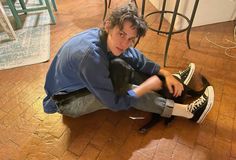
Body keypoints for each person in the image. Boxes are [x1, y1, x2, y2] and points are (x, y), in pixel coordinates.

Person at [43, 3, 214, 124]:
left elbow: (134, 56)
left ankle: (173, 82)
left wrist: (164, 73)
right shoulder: (91, 58)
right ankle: (189, 113)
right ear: (108, 25)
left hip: (79, 82)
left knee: (125, 66)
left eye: (131, 39)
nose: (125, 43)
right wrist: (145, 86)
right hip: (67, 102)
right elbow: (115, 102)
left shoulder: (103, 37)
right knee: (126, 89)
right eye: (122, 34)